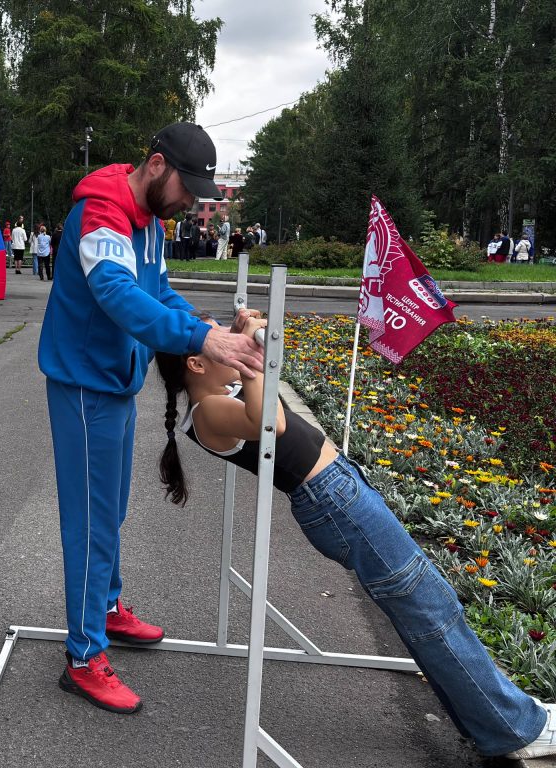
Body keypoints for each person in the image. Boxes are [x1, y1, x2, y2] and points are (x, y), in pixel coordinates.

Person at [153, 313, 556, 761]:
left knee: (424, 609)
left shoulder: (218, 394)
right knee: (430, 609)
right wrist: (250, 351)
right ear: (197, 364)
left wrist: (236, 333)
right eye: (223, 344)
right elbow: (273, 424)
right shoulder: (207, 412)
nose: (236, 347)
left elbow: (257, 401)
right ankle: (516, 728)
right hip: (335, 502)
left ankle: (498, 721)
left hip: (339, 494)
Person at [38, 122, 263, 714]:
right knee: (88, 521)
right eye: (188, 188)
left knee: (109, 509)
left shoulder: (152, 225)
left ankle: (105, 610)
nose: (191, 201)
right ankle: (83, 657)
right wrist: (199, 338)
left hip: (113, 383)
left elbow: (157, 292)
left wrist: (208, 327)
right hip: (84, 388)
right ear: (157, 165)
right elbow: (115, 293)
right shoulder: (102, 214)